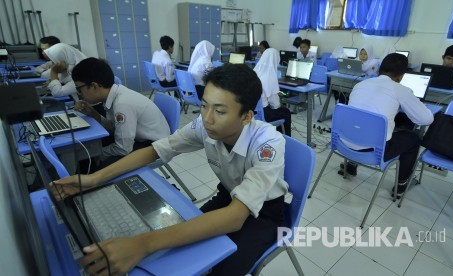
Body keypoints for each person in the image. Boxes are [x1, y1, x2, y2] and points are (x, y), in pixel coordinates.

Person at [53, 64, 287, 275]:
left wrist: (142, 244)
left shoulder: (268, 144)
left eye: (220, 111)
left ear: (247, 116)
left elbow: (235, 217)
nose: (207, 118)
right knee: (183, 245)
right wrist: (93, 179)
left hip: (263, 213)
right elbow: (155, 150)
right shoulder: (204, 125)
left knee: (221, 268)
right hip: (228, 195)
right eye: (204, 105)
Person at [344, 53, 434, 198]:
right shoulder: (401, 90)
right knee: (413, 139)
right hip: (374, 152)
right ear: (401, 76)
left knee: (365, 125)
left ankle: (351, 164)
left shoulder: (360, 84)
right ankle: (401, 185)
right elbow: (426, 119)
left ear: (379, 69)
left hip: (345, 143)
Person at [72, 58, 170, 169]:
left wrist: (98, 153)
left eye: (79, 89)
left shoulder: (122, 104)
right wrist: (93, 113)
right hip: (137, 140)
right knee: (92, 150)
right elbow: (113, 127)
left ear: (94, 86)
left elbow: (123, 149)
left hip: (153, 147)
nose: (79, 94)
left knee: (96, 168)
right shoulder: (114, 95)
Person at [253, 48, 292, 135]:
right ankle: (284, 138)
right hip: (263, 114)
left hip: (252, 112)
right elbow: (275, 105)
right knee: (286, 112)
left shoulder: (254, 72)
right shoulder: (270, 76)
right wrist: (282, 105)